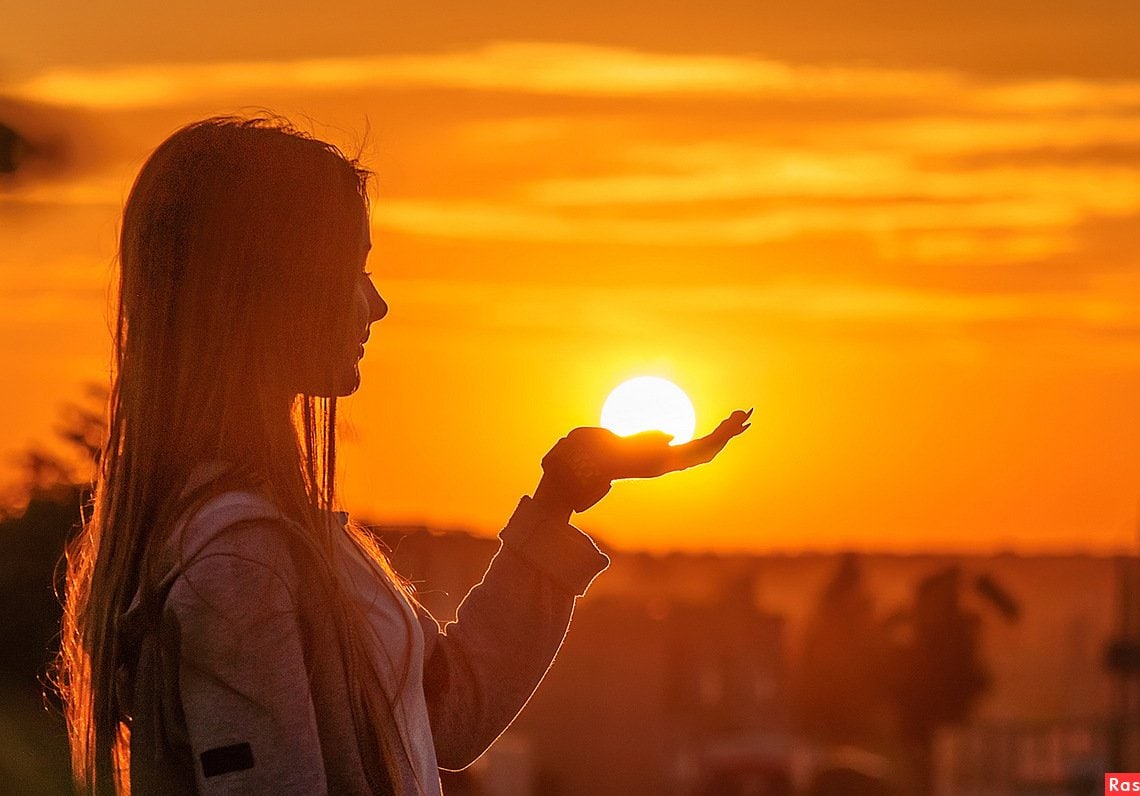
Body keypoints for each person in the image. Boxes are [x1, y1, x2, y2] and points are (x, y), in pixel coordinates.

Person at [52, 115, 751, 796]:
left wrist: (557, 500)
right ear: (265, 290)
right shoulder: (241, 561)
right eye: (351, 270)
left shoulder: (279, 538)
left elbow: (446, 712)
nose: (378, 305)